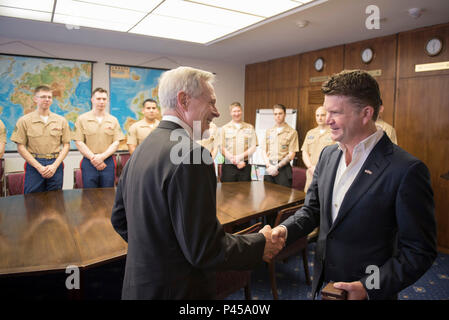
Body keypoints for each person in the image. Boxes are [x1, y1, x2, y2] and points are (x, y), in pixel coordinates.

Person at [111, 66, 284, 300]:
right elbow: (204, 250)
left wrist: (157, 253)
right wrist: (259, 244)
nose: (216, 112)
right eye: (211, 102)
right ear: (183, 100)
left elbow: (120, 220)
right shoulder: (192, 156)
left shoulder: (143, 148)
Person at [271, 70, 437, 300]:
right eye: (326, 111)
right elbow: (312, 210)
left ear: (366, 113)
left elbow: (419, 252)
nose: (327, 119)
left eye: (335, 112)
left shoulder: (406, 170)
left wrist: (369, 287)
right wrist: (284, 230)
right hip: (324, 285)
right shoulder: (328, 155)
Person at [11, 85, 70, 194]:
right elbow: (20, 147)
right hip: (34, 163)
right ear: (35, 99)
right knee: (32, 200)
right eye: (43, 97)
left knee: (55, 199)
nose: (47, 100)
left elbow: (66, 145)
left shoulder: (61, 120)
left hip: (55, 164)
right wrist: (39, 167)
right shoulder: (24, 121)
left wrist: (54, 166)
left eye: (49, 97)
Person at [73, 88, 125, 188]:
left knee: (108, 194)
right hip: (89, 161)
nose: (101, 102)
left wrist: (102, 157)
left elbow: (116, 143)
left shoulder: (113, 120)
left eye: (104, 99)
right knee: (89, 195)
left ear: (107, 101)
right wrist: (94, 158)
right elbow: (79, 142)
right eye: (98, 99)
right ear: (92, 99)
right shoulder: (82, 119)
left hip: (108, 161)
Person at [262, 104, 299, 188]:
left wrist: (276, 167)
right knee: (268, 196)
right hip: (269, 166)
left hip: (283, 169)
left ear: (285, 114)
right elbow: (264, 150)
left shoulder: (292, 132)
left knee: (283, 198)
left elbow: (291, 154)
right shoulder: (269, 131)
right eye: (275, 114)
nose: (278, 116)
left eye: (280, 113)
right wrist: (268, 165)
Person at [220, 102, 257, 182]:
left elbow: (253, 147)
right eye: (234, 111)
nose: (236, 113)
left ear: (242, 111)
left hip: (244, 165)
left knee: (244, 192)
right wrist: (235, 161)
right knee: (228, 192)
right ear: (230, 113)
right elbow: (221, 148)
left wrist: (239, 158)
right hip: (229, 165)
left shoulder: (249, 127)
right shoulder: (224, 128)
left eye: (238, 111)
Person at [301, 106, 334, 192]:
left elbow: (336, 156)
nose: (319, 118)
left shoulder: (334, 133)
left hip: (326, 173)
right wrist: (310, 167)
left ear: (327, 116)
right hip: (311, 172)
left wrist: (320, 169)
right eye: (317, 115)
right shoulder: (310, 133)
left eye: (322, 115)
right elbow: (305, 152)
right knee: (308, 199)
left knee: (323, 200)